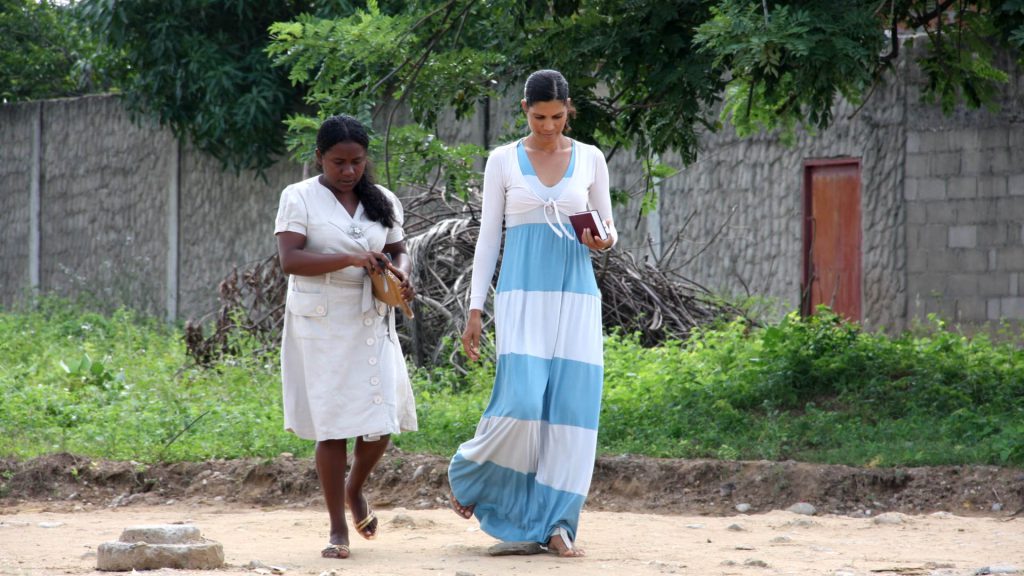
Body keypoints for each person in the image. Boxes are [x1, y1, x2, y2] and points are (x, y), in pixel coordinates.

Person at [448, 69, 617, 558]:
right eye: (540, 117)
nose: (549, 127)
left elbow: (608, 228)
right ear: (525, 109)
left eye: (558, 117)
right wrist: (476, 308)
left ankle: (559, 525)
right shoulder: (502, 161)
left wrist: (603, 239)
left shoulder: (590, 158)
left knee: (571, 413)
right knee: (521, 403)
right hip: (522, 296)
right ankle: (470, 471)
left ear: (570, 111)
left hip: (577, 296)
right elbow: (488, 238)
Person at [274, 114, 418, 559]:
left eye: (356, 161)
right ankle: (338, 527)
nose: (349, 171)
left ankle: (355, 488)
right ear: (320, 158)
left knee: (380, 418)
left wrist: (400, 275)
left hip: (372, 318)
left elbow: (399, 249)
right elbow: (290, 259)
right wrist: (352, 259)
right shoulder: (298, 197)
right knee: (332, 423)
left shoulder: (383, 199)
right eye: (338, 162)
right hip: (322, 322)